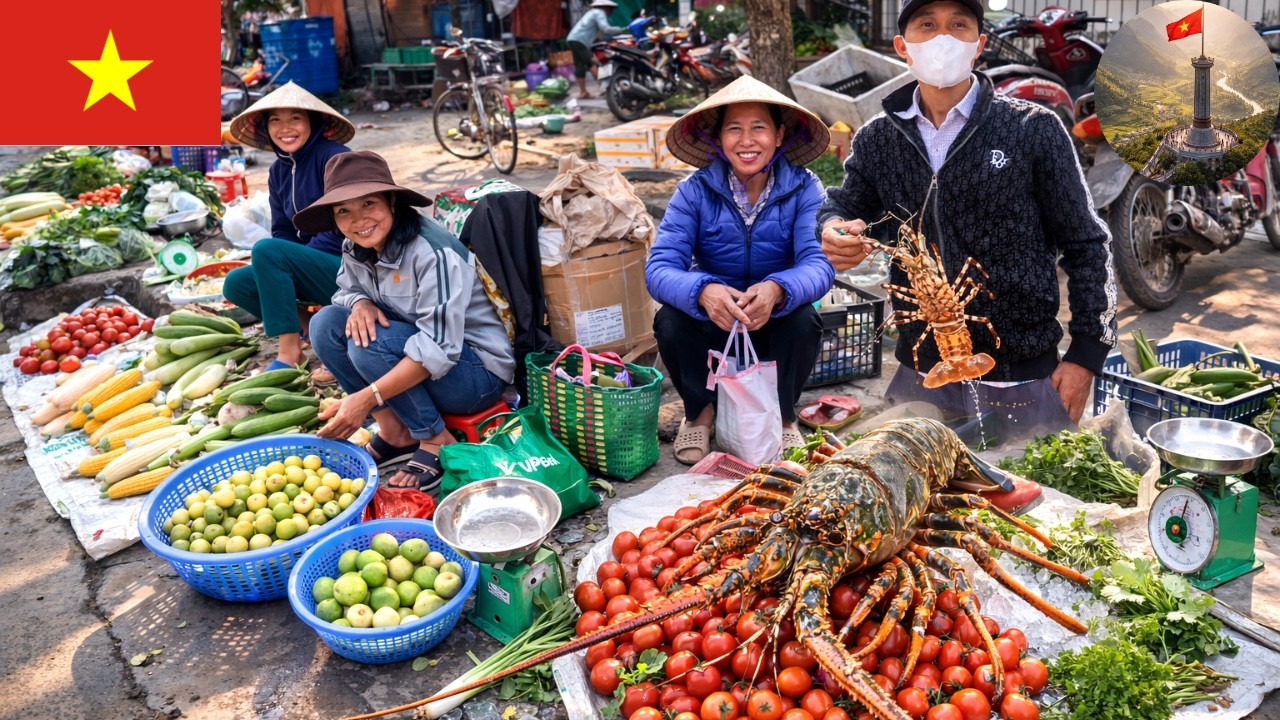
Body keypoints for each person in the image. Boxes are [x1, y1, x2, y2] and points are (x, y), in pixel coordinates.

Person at [817, 0, 1117, 441]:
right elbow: (842, 206)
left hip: (1022, 371)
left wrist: (1086, 354)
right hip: (922, 370)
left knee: (1029, 502)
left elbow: (1087, 243)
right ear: (903, 46)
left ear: (978, 45)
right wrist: (832, 229)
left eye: (958, 25)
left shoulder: (1033, 129)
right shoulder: (879, 138)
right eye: (927, 25)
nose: (943, 38)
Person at [299, 152, 515, 492]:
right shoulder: (355, 246)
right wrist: (361, 302)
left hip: (474, 374)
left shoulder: (431, 251)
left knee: (367, 342)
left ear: (392, 201)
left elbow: (438, 348)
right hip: (413, 356)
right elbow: (345, 291)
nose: (359, 220)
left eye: (369, 203)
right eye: (344, 211)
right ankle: (395, 431)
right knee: (326, 323)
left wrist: (366, 398)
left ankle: (434, 439)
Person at [647, 75, 834, 465]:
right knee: (670, 320)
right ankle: (699, 413)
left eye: (758, 128)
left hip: (773, 319)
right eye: (734, 129)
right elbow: (660, 268)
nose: (746, 141)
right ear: (719, 139)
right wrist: (703, 291)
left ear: (780, 135)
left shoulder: (805, 189)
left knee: (806, 320)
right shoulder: (693, 191)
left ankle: (783, 417)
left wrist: (778, 289)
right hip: (715, 323)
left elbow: (818, 264)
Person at [224, 82, 354, 384]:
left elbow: (347, 227)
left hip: (351, 267)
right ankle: (311, 330)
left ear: (313, 121)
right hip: (314, 266)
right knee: (237, 283)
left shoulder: (334, 158)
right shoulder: (277, 171)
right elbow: (282, 229)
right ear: (265, 128)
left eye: (295, 118)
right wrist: (286, 261)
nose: (286, 128)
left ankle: (289, 352)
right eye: (275, 120)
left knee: (267, 251)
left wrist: (291, 259)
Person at [567, 0, 624, 99]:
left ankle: (583, 92)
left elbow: (596, 33)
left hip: (572, 38)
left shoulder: (591, 13)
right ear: (606, 8)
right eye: (611, 9)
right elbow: (606, 28)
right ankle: (605, 88)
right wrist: (622, 29)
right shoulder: (600, 13)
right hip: (581, 40)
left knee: (580, 65)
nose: (611, 11)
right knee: (590, 63)